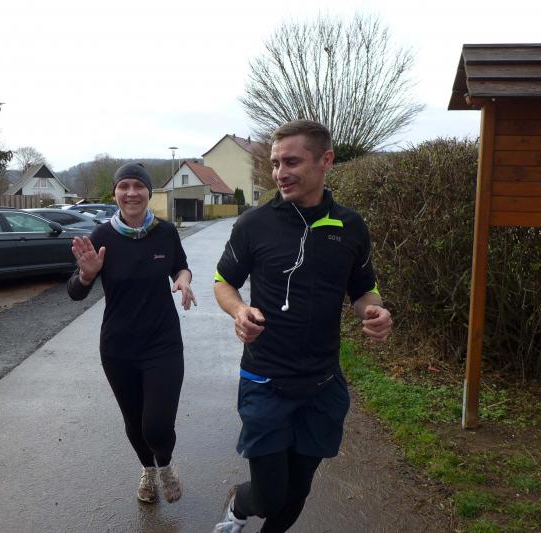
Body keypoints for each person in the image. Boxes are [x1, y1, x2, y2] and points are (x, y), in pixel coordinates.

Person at [212, 120, 393, 532]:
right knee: (269, 495)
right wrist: (239, 310)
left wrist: (375, 312)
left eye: (291, 162)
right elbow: (224, 282)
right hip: (265, 380)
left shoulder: (350, 226)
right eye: (275, 163)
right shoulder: (254, 224)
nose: (280, 173)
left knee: (296, 494)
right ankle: (239, 504)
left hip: (322, 384)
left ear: (325, 160)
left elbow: (365, 290)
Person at [67, 161, 196, 505]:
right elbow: (75, 292)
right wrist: (86, 275)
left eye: (138, 186)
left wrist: (183, 280)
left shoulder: (165, 232)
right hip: (118, 347)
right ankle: (148, 470)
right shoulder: (101, 237)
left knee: (157, 424)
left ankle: (165, 465)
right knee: (134, 422)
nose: (131, 192)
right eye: (124, 186)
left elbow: (180, 266)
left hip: (163, 343)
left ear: (149, 192)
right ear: (115, 194)